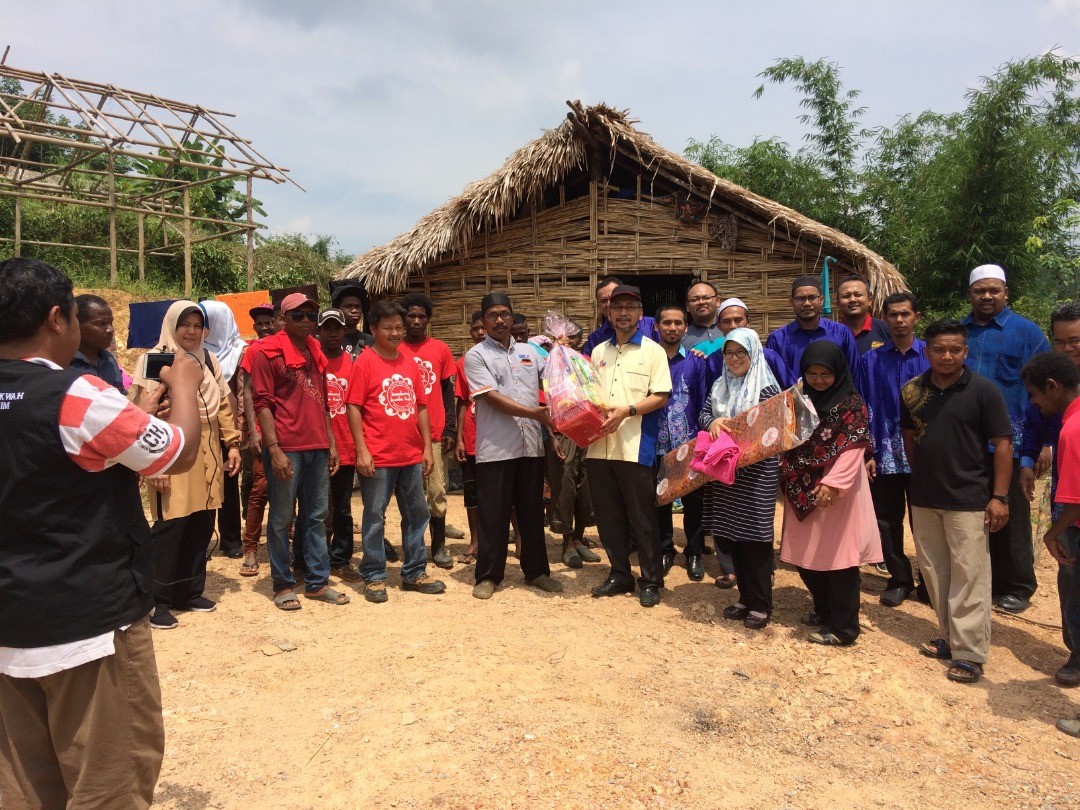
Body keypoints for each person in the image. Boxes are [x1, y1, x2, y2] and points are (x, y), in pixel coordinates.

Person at [0, 257, 204, 808]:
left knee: (23, 785)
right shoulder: (77, 395)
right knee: (108, 780)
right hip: (87, 623)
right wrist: (185, 384)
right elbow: (177, 453)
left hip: (9, 624)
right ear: (56, 319)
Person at [901, 319, 1013, 684]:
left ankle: (969, 653)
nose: (947, 356)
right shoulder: (912, 391)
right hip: (924, 495)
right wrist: (920, 475)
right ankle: (950, 638)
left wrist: (998, 497)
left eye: (954, 350)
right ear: (927, 350)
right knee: (935, 572)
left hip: (969, 497)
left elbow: (1003, 445)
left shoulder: (984, 391)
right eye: (939, 349)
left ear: (965, 352)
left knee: (970, 575)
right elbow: (908, 436)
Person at [129, 301, 242, 630]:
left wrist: (232, 443)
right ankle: (157, 600)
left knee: (201, 522)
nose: (191, 332)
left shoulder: (208, 359)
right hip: (170, 451)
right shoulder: (155, 361)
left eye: (197, 325)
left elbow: (221, 402)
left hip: (207, 451)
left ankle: (189, 591)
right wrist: (157, 466)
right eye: (185, 325)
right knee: (170, 526)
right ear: (171, 326)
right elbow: (143, 414)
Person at [251, 292, 350, 610]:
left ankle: (317, 582)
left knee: (317, 517)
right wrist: (274, 449)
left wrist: (331, 443)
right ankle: (282, 583)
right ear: (283, 319)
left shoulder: (315, 350)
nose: (307, 321)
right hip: (287, 447)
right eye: (299, 316)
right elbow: (262, 404)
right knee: (281, 518)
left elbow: (323, 400)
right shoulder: (266, 352)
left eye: (311, 316)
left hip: (317, 447)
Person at [780, 341, 881, 646]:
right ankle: (824, 612)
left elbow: (854, 448)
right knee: (806, 556)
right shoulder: (798, 400)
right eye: (813, 373)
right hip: (802, 485)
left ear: (838, 372)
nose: (820, 379)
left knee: (839, 560)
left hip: (838, 491)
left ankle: (844, 628)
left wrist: (833, 483)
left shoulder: (851, 403)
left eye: (826, 374)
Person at [346, 300, 446, 603]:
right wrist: (361, 450)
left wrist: (427, 447)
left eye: (399, 327)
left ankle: (414, 571)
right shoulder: (364, 361)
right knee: (374, 516)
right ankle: (374, 575)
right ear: (373, 329)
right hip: (379, 455)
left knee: (416, 513)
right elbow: (353, 406)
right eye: (388, 327)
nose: (395, 332)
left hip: (412, 455)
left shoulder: (408, 362)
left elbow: (421, 406)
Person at [465, 292, 563, 599]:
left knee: (532, 511)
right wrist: (534, 413)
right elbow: (489, 397)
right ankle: (488, 576)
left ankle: (537, 572)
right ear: (483, 321)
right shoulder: (476, 356)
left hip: (531, 446)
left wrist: (564, 355)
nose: (499, 320)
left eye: (504, 314)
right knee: (493, 513)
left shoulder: (530, 352)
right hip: (496, 448)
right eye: (492, 315)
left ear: (512, 317)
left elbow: (558, 378)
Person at [587, 284, 673, 607]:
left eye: (630, 307)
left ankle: (650, 580)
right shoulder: (598, 353)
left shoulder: (653, 351)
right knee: (608, 516)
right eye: (616, 306)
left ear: (640, 313)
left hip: (635, 446)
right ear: (608, 312)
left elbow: (662, 395)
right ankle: (620, 573)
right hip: (598, 447)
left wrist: (628, 410)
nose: (623, 312)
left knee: (642, 517)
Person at [701, 328, 782, 629]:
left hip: (756, 473)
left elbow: (771, 430)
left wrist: (735, 431)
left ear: (753, 354)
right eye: (729, 352)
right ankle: (745, 598)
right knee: (732, 536)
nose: (734, 358)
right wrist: (714, 421)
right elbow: (704, 415)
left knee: (755, 538)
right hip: (725, 472)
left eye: (741, 353)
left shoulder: (766, 387)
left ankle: (761, 603)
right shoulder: (720, 384)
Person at [855, 291, 930, 607]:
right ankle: (899, 578)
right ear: (884, 319)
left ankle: (929, 581)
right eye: (893, 315)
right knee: (886, 518)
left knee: (925, 520)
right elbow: (859, 406)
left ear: (916, 317)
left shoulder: (932, 354)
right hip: (883, 455)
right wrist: (866, 453)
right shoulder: (869, 361)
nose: (899, 320)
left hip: (926, 455)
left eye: (905, 314)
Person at [1021, 302, 1080, 686]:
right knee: (1070, 577)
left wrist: (1051, 531)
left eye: (1074, 340)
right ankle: (1075, 650)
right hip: (1068, 492)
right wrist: (1029, 457)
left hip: (1073, 503)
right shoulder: (1052, 381)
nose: (1068, 349)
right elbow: (1034, 421)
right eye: (1059, 342)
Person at [400, 292, 457, 569]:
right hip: (402, 433)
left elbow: (448, 390)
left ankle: (439, 547)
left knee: (436, 490)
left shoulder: (440, 349)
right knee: (408, 495)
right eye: (411, 315)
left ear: (428, 320)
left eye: (422, 316)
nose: (416, 320)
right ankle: (412, 547)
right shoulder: (393, 349)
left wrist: (450, 428)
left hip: (433, 433)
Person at [653, 303, 708, 579]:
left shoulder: (697, 361)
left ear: (685, 327)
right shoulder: (648, 359)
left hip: (690, 443)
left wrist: (701, 441)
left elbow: (703, 401)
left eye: (677, 323)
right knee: (661, 498)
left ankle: (694, 552)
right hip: (656, 443)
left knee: (693, 501)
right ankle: (665, 549)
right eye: (666, 323)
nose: (672, 328)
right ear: (656, 326)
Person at [201, 300, 248, 560]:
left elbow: (243, 392)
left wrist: (239, 429)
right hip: (202, 426)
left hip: (230, 427)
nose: (203, 329)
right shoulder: (194, 351)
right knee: (205, 482)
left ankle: (231, 539)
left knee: (229, 484)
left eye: (207, 323)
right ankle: (203, 538)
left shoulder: (240, 350)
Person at [318, 308, 360, 583]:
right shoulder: (312, 362)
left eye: (337, 328)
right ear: (319, 331)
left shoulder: (353, 364)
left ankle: (341, 559)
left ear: (345, 331)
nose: (333, 333)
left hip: (346, 447)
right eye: (327, 328)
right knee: (317, 507)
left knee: (343, 506)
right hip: (316, 446)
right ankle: (315, 559)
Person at [765, 276, 859, 380]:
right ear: (791, 302)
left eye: (812, 297)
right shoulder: (777, 339)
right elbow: (771, 379)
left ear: (821, 299)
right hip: (792, 396)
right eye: (800, 299)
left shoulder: (841, 333)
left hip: (834, 396)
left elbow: (853, 373)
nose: (807, 303)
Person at [454, 310, 486, 564]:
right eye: (475, 329)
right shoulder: (463, 363)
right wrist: (460, 438)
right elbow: (463, 402)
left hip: (499, 439)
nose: (480, 332)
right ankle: (475, 542)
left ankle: (517, 539)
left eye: (482, 327)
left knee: (506, 493)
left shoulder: (504, 358)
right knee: (472, 493)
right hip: (473, 438)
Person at [712, 297, 792, 388]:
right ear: (719, 326)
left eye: (738, 320)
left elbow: (790, 389)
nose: (733, 326)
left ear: (748, 322)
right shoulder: (713, 360)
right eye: (726, 321)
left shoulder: (768, 356)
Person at [582, 275, 658, 355]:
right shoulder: (596, 338)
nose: (608, 304)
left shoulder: (651, 326)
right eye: (603, 301)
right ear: (598, 306)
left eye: (613, 299)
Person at [71, 293, 126, 393]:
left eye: (111, 323)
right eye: (101, 323)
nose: (110, 329)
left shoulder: (109, 360)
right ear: (77, 325)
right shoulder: (66, 364)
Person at [837, 275, 891, 355]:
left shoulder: (886, 330)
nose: (852, 299)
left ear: (870, 300)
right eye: (846, 296)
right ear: (838, 304)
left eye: (858, 295)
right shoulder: (832, 334)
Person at [333, 281, 374, 359]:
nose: (354, 310)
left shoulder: (370, 341)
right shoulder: (330, 339)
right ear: (338, 309)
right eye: (348, 306)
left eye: (357, 306)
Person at [682, 280, 724, 352]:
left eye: (707, 298)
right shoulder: (682, 337)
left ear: (717, 301)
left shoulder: (730, 329)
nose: (701, 302)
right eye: (695, 299)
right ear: (687, 306)